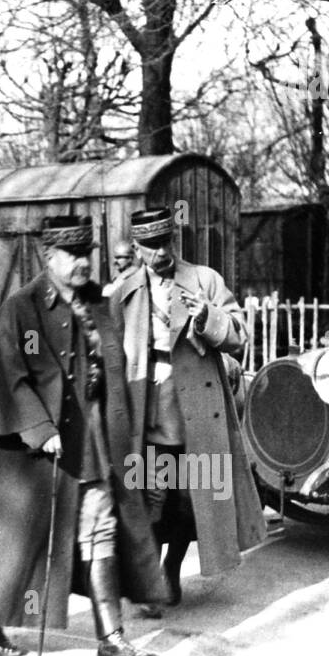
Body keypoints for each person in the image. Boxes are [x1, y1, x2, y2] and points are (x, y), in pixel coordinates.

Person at [0, 215, 167, 656]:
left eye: (87, 255)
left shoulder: (99, 302)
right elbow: (6, 372)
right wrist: (40, 429)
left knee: (101, 529)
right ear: (49, 256)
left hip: (96, 437)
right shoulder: (24, 307)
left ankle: (113, 641)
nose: (83, 264)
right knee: (15, 538)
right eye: (73, 255)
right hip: (34, 445)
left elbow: (115, 371)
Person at [113, 207, 265, 616]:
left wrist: (207, 317)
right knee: (151, 496)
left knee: (189, 497)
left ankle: (171, 569)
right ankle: (149, 579)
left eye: (166, 243)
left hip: (197, 406)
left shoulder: (204, 279)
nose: (161, 252)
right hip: (149, 407)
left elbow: (239, 334)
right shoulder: (124, 289)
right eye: (151, 246)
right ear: (137, 249)